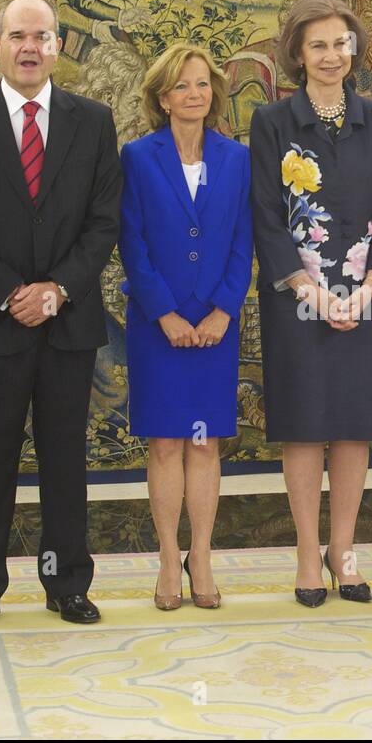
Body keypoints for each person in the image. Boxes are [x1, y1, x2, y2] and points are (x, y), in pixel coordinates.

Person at [0, 0, 121, 629]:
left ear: (58, 46)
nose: (29, 47)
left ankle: (66, 582)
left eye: (41, 36)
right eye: (18, 35)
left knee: (65, 456)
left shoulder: (93, 121)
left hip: (68, 322)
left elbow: (103, 223)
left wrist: (57, 290)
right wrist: (12, 291)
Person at [251, 0, 372, 607]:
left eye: (341, 43)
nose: (332, 55)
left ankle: (345, 554)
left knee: (353, 428)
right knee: (305, 428)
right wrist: (310, 290)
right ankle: (307, 554)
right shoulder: (272, 123)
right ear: (296, 53)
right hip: (298, 297)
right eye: (318, 45)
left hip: (365, 296)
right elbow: (266, 216)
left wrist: (369, 289)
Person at [118, 44, 253, 610]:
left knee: (204, 443)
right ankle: (167, 559)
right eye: (181, 86)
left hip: (216, 326)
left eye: (202, 84)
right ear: (161, 97)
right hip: (159, 326)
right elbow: (132, 240)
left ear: (213, 93)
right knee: (167, 442)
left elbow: (244, 237)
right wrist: (166, 314)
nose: (193, 94)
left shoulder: (237, 158)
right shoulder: (137, 157)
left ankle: (201, 554)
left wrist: (224, 308)